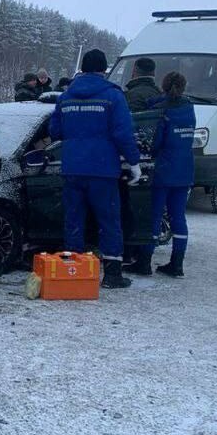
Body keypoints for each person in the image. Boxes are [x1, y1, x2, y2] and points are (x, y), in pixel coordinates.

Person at [49, 48, 142, 289]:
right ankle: (112, 274)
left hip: (72, 168)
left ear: (83, 69)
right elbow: (123, 133)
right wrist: (134, 162)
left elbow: (55, 132)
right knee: (109, 219)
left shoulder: (65, 96)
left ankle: (73, 271)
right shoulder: (113, 96)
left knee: (74, 219)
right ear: (104, 69)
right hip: (103, 169)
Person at [126, 72, 196, 277]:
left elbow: (156, 141)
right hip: (185, 168)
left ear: (163, 86)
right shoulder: (189, 108)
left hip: (164, 168)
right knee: (178, 217)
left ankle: (145, 261)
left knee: (154, 216)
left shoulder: (162, 112)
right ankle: (177, 263)